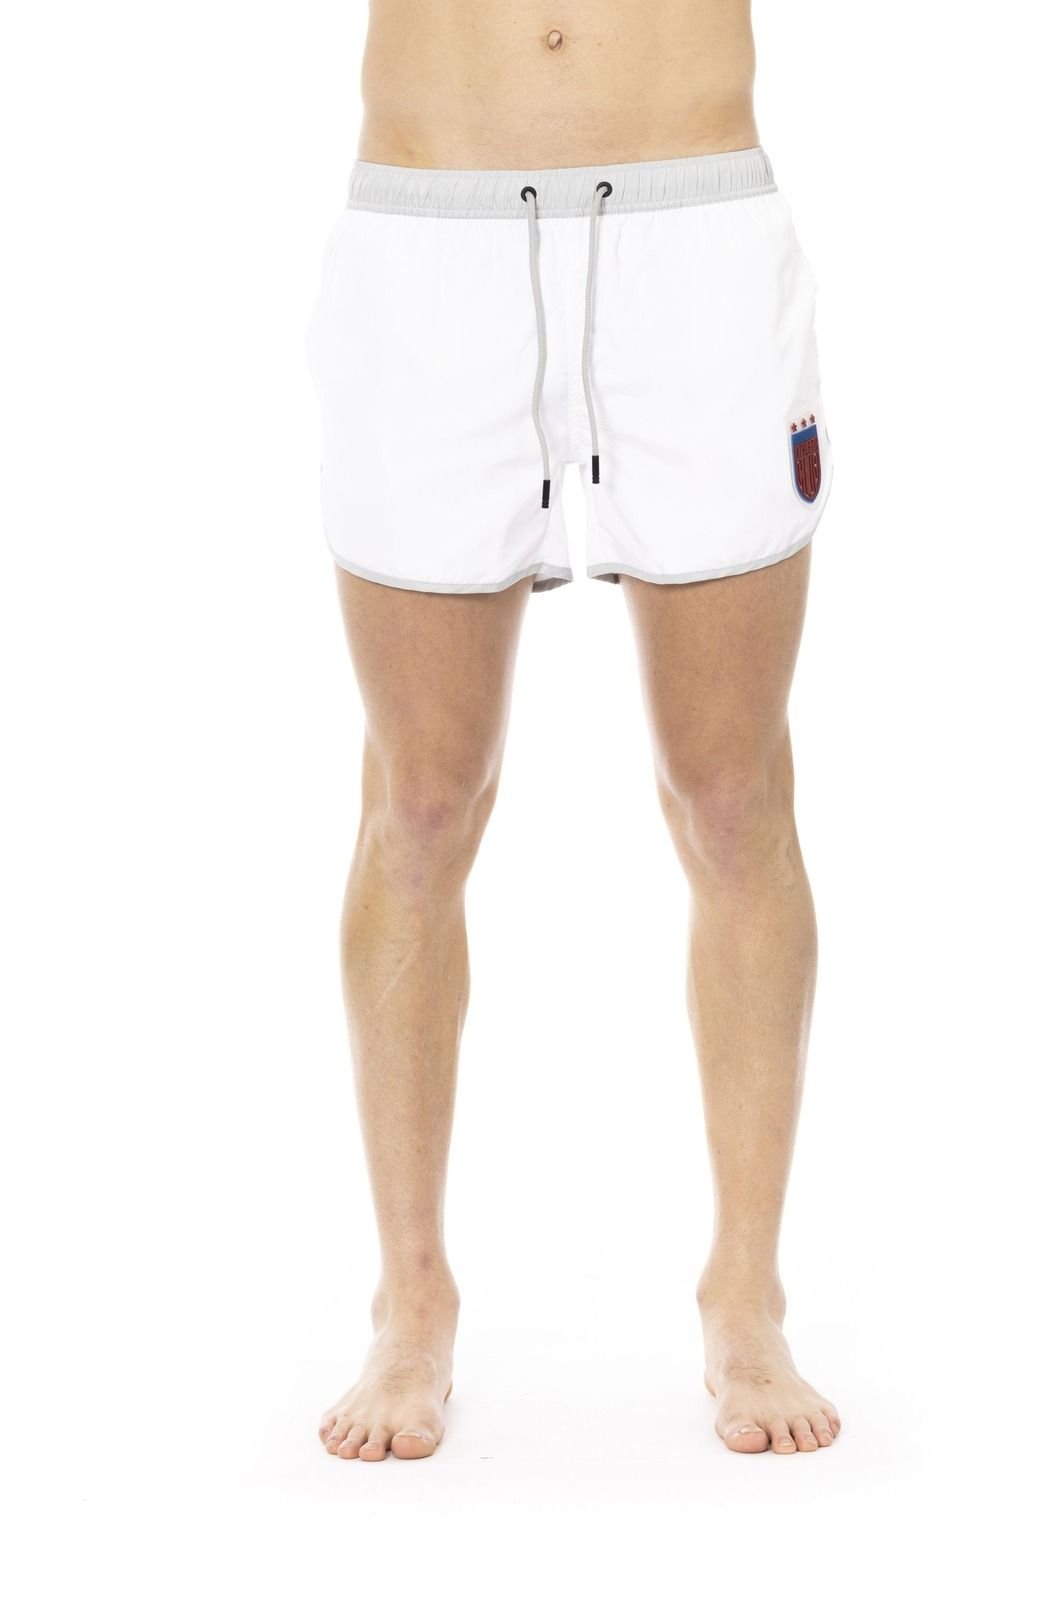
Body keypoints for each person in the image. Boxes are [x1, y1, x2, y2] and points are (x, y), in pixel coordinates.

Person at [308, 1, 839, 1462]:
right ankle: (411, 1297)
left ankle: (748, 1292)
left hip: (694, 225)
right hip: (431, 232)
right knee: (421, 802)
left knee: (729, 793)